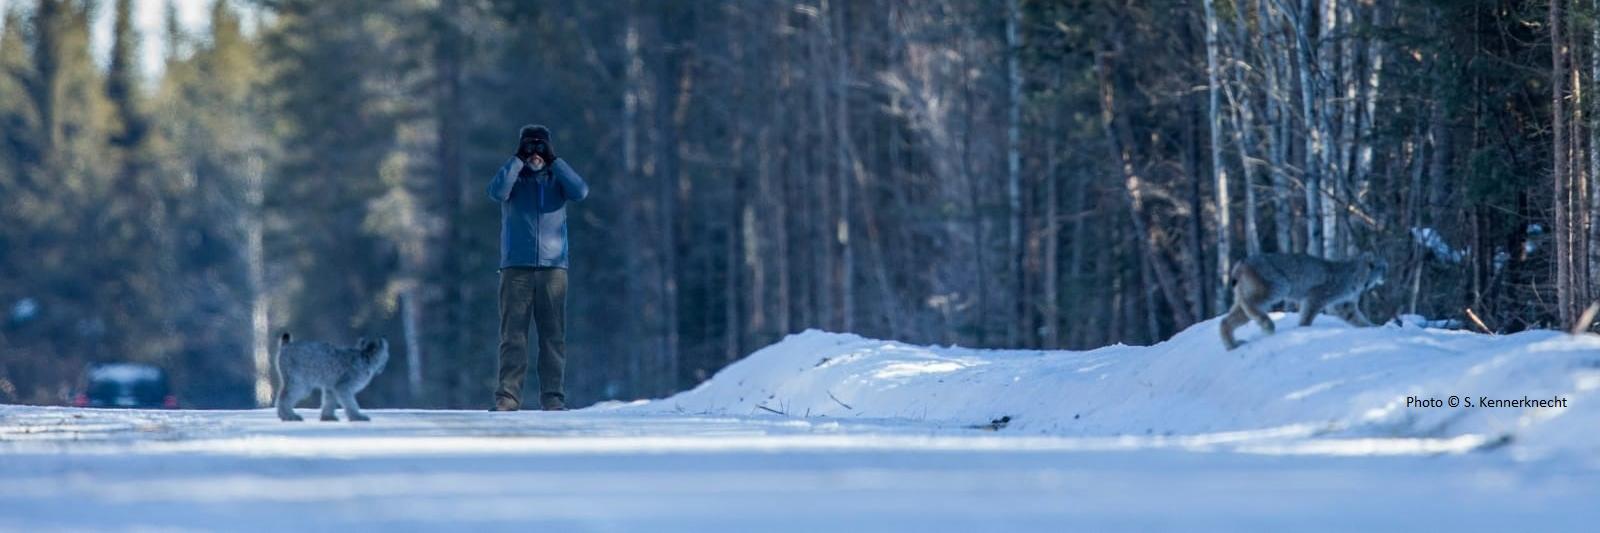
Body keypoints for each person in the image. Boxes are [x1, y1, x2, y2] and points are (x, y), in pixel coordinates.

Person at [485, 124, 589, 411]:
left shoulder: (557, 180)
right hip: (515, 268)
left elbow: (580, 191)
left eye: (540, 147)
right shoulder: (514, 180)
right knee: (512, 335)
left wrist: (555, 160)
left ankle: (553, 398)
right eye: (529, 147)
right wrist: (518, 159)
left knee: (553, 336)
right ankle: (508, 397)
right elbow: (496, 191)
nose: (535, 154)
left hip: (553, 268)